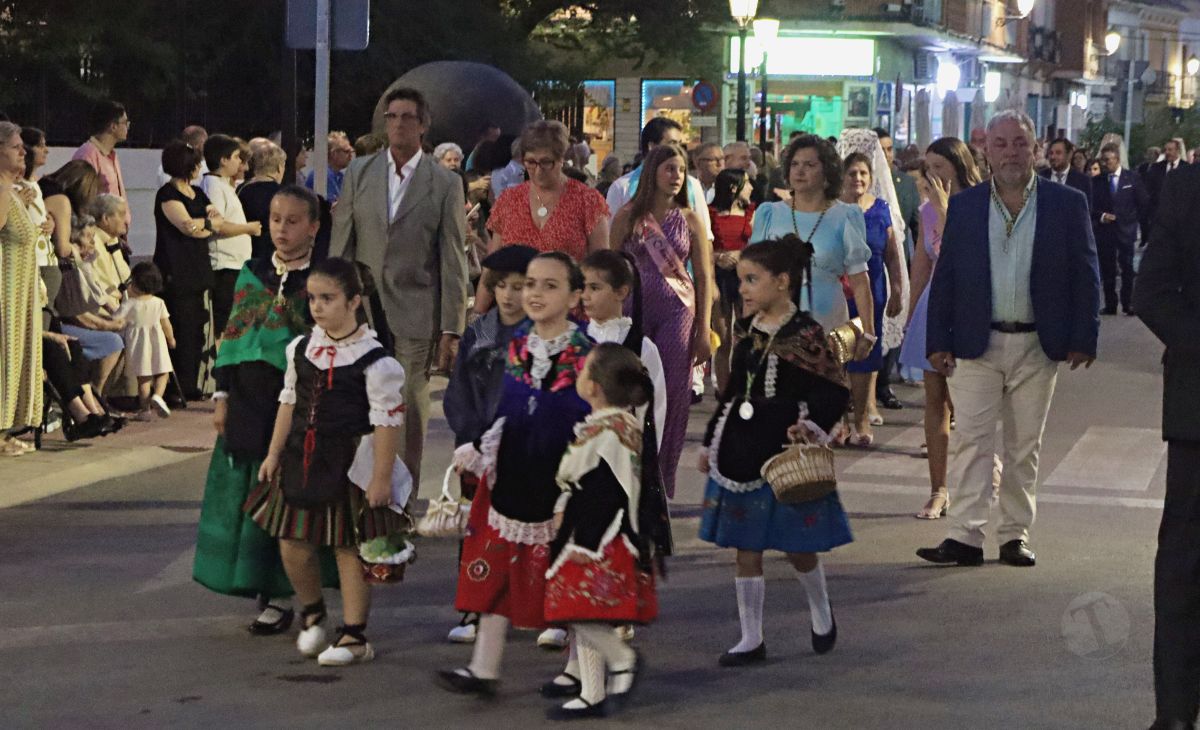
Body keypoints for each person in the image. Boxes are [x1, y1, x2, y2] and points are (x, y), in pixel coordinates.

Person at [918, 111, 1101, 568]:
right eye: (1000, 144)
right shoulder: (966, 206)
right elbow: (948, 278)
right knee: (972, 441)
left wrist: (1084, 335)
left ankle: (1014, 534)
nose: (1011, 153)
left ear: (1036, 149)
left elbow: (1086, 273)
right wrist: (937, 339)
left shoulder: (1066, 203)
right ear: (986, 152)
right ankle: (963, 536)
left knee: (1024, 446)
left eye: (1020, 143)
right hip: (976, 342)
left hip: (1038, 344)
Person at [437, 252, 593, 697]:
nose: (535, 294)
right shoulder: (520, 345)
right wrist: (484, 445)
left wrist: (576, 482)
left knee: (567, 574)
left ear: (575, 295)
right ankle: (484, 666)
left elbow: (590, 421)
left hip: (562, 476)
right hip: (514, 470)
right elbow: (510, 406)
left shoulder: (584, 354)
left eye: (549, 286)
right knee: (496, 569)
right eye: (531, 285)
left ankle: (583, 669)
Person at [247, 257, 410, 667]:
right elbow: (288, 402)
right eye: (313, 298)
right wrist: (272, 453)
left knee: (347, 548)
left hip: (348, 463)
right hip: (301, 457)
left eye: (328, 298)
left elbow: (386, 423)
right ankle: (313, 611)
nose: (317, 307)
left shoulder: (376, 362)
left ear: (354, 301)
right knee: (292, 541)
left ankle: (355, 635)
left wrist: (381, 478)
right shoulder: (301, 348)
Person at [698, 235, 852, 666]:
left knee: (797, 545)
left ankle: (821, 611)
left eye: (751, 279)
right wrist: (712, 440)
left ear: (782, 282)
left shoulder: (805, 334)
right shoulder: (747, 331)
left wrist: (811, 423)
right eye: (741, 279)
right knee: (746, 548)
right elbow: (732, 391)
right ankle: (751, 637)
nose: (743, 289)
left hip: (784, 452)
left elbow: (834, 389)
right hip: (742, 449)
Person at [194, 185, 338, 634]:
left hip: (300, 402)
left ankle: (298, 592)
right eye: (276, 219)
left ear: (314, 226)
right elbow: (231, 339)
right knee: (251, 492)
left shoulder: (326, 279)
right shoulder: (250, 272)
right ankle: (267, 593)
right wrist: (221, 397)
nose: (282, 229)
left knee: (292, 496)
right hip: (249, 401)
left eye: (293, 221)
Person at [330, 85, 469, 491]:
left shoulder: (444, 183)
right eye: (391, 117)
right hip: (364, 310)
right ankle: (362, 490)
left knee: (407, 403)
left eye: (407, 117)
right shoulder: (360, 172)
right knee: (361, 403)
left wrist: (451, 327)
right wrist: (334, 303)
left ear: (423, 125)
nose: (398, 124)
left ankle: (400, 499)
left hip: (417, 308)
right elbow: (344, 241)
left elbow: (452, 258)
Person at [543, 343, 664, 719]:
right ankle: (587, 682)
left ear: (594, 386)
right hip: (599, 536)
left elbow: (606, 494)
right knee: (582, 611)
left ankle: (615, 666)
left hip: (599, 540)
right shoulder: (614, 425)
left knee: (582, 611)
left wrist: (584, 542)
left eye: (582, 371)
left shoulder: (609, 433)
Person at [1132, 160, 1200, 730]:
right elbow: (1151, 291)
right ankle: (1174, 713)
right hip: (1199, 411)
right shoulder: (1188, 186)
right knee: (1184, 567)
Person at [442, 244, 537, 645]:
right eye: (502, 286)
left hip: (528, 446)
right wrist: (466, 440)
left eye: (520, 287)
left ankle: (540, 609)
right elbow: (458, 391)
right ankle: (474, 608)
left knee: (533, 529)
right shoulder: (477, 333)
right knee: (478, 530)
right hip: (480, 445)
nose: (510, 296)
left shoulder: (543, 332)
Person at [611, 143, 714, 498]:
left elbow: (704, 275)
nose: (676, 177)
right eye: (669, 169)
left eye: (681, 171)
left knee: (673, 395)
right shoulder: (627, 216)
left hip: (677, 314)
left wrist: (704, 328)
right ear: (653, 171)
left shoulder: (690, 219)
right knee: (629, 394)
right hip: (633, 313)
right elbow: (610, 269)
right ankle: (627, 474)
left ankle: (662, 482)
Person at [900, 137, 982, 519]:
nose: (932, 175)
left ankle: (983, 470)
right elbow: (922, 264)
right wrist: (912, 315)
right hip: (936, 307)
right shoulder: (926, 210)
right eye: (927, 168)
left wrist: (946, 209)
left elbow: (969, 255)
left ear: (958, 165)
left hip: (971, 306)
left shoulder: (982, 201)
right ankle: (938, 488)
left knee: (971, 403)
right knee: (935, 402)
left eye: (940, 167)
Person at [749, 134, 875, 354]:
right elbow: (753, 275)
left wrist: (868, 331)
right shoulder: (770, 213)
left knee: (825, 388)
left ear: (826, 172)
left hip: (828, 325)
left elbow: (860, 281)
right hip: (774, 324)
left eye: (809, 165)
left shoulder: (845, 215)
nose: (800, 171)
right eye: (795, 164)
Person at [840, 151, 904, 445]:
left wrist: (898, 290)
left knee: (865, 353)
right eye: (852, 173)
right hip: (840, 291)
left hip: (874, 288)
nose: (858, 179)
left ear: (871, 177)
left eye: (863, 174)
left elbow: (892, 254)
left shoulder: (880, 209)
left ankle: (862, 418)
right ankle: (838, 420)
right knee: (838, 354)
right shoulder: (834, 209)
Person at [153, 139, 223, 400]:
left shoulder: (198, 193)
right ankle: (178, 387)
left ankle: (198, 383)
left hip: (199, 268)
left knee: (199, 328)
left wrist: (203, 225)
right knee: (181, 328)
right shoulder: (168, 195)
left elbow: (216, 221)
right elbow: (186, 226)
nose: (199, 168)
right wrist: (206, 224)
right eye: (195, 164)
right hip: (176, 270)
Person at [485, 120, 609, 261]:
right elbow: (493, 264)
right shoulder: (509, 200)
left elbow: (601, 267)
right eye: (531, 162)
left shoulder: (588, 200)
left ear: (561, 159)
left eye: (546, 162)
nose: (538, 171)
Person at [580, 250, 667, 446]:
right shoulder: (577, 339)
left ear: (621, 292)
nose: (585, 296)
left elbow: (654, 408)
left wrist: (642, 455)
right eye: (582, 287)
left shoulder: (641, 347)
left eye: (594, 288)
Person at [0, 121, 43, 455]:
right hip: (5, 294)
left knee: (16, 357)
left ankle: (6, 430)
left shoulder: (12, 192)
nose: (22, 152)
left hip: (21, 292)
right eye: (15, 147)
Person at [606, 118, 712, 239]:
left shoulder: (692, 185)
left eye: (680, 144)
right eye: (672, 143)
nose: (678, 149)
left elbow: (706, 238)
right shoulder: (622, 187)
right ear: (652, 146)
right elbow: (610, 237)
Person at [201, 134, 262, 338]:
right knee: (223, 323)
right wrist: (248, 228)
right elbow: (218, 225)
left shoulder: (224, 185)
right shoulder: (214, 186)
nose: (240, 163)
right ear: (223, 160)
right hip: (224, 264)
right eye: (236, 157)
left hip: (235, 263)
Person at [709, 167, 756, 392]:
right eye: (747, 183)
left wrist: (740, 255)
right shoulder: (710, 213)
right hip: (719, 278)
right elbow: (703, 246)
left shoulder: (752, 212)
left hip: (746, 277)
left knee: (746, 335)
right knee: (723, 335)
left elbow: (757, 244)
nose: (752, 187)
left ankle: (744, 386)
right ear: (733, 187)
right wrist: (717, 257)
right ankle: (724, 388)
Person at [1092, 142, 1149, 316]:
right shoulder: (1097, 181)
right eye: (1103, 160)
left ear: (1117, 159)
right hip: (1106, 231)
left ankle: (1128, 302)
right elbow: (1090, 205)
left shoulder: (1131, 178)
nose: (1105, 163)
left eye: (1108, 160)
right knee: (1108, 268)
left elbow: (1142, 202)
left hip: (1126, 230)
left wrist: (1135, 222)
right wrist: (1102, 216)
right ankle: (1110, 304)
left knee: (1127, 268)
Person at [115, 262, 175, 421]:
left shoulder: (130, 304)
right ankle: (158, 396)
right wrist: (171, 339)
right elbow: (166, 324)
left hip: (137, 345)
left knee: (144, 379)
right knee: (163, 371)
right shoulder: (158, 302)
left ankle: (145, 409)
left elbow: (115, 320)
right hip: (158, 342)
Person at [72, 100, 131, 229]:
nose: (127, 127)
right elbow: (81, 198)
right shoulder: (87, 154)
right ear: (113, 126)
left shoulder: (112, 155)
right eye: (125, 122)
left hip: (116, 232)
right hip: (99, 234)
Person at [238, 142, 286, 260]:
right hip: (273, 257)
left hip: (245, 254)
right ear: (279, 168)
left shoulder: (241, 189)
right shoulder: (283, 194)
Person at [1142, 137, 1188, 247]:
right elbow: (1148, 191)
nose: (1167, 152)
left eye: (1170, 150)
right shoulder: (1156, 168)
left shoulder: (1186, 168)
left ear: (1177, 151)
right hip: (1157, 216)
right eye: (1166, 150)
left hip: (1178, 218)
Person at [87, 195, 133, 305]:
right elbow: (97, 283)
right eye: (121, 215)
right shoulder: (92, 242)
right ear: (105, 219)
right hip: (106, 307)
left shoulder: (113, 239)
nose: (126, 221)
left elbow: (125, 277)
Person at [1039, 138, 1092, 209]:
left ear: (1069, 155)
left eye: (1058, 153)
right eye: (1051, 153)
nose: (1053, 157)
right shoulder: (1040, 177)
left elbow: (1086, 211)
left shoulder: (1083, 180)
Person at [304, 131, 353, 204]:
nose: (351, 155)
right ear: (334, 154)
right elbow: (334, 206)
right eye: (347, 151)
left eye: (351, 151)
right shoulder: (322, 175)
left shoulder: (340, 176)